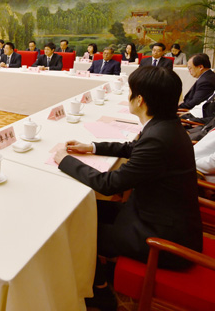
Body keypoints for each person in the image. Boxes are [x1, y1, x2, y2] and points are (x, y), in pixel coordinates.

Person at [54, 66, 202, 310]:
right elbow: (133, 149)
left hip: (161, 238)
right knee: (84, 211)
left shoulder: (159, 137)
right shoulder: (166, 126)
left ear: (140, 100)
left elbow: (108, 184)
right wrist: (92, 147)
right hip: (153, 215)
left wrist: (65, 160)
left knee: (77, 230)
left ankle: (100, 291)